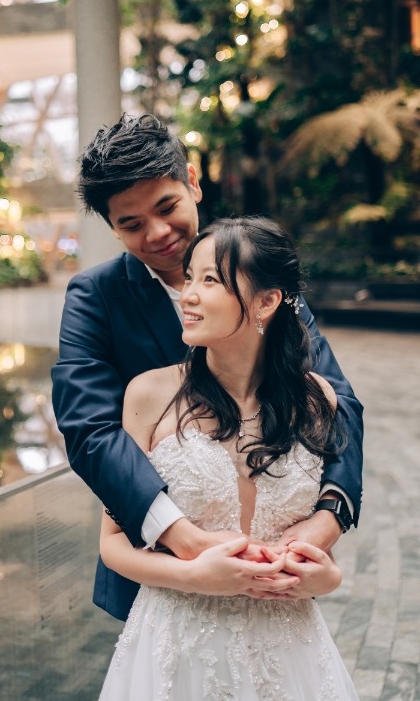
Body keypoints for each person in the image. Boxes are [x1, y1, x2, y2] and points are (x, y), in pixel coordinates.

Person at [51, 114, 364, 621]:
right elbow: (90, 430)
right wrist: (181, 536)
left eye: (166, 206)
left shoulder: (260, 274)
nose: (157, 233)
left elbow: (338, 400)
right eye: (130, 224)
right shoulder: (95, 297)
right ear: (112, 228)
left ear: (192, 182)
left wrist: (329, 516)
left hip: (276, 569)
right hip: (159, 569)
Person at [97, 216, 358, 698]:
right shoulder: (149, 395)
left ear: (267, 302)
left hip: (289, 650)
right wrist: (192, 575)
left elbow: (316, 547)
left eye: (210, 280)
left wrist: (327, 577)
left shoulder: (317, 399)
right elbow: (113, 544)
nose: (188, 295)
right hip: (177, 644)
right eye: (189, 278)